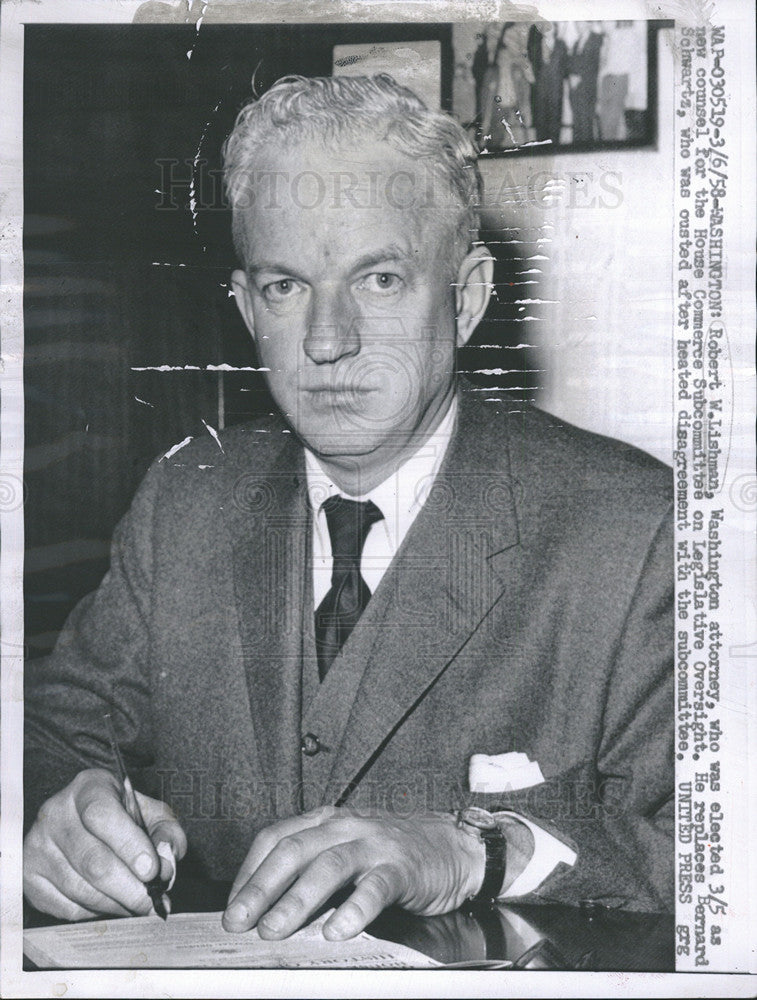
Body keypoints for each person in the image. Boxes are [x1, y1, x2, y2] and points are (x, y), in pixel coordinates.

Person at [24, 74, 673, 943]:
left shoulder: (634, 531)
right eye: (286, 288)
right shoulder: (186, 501)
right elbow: (48, 742)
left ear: (468, 297)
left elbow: (716, 852)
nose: (327, 343)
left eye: (377, 279)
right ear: (246, 307)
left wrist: (482, 853)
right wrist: (71, 818)